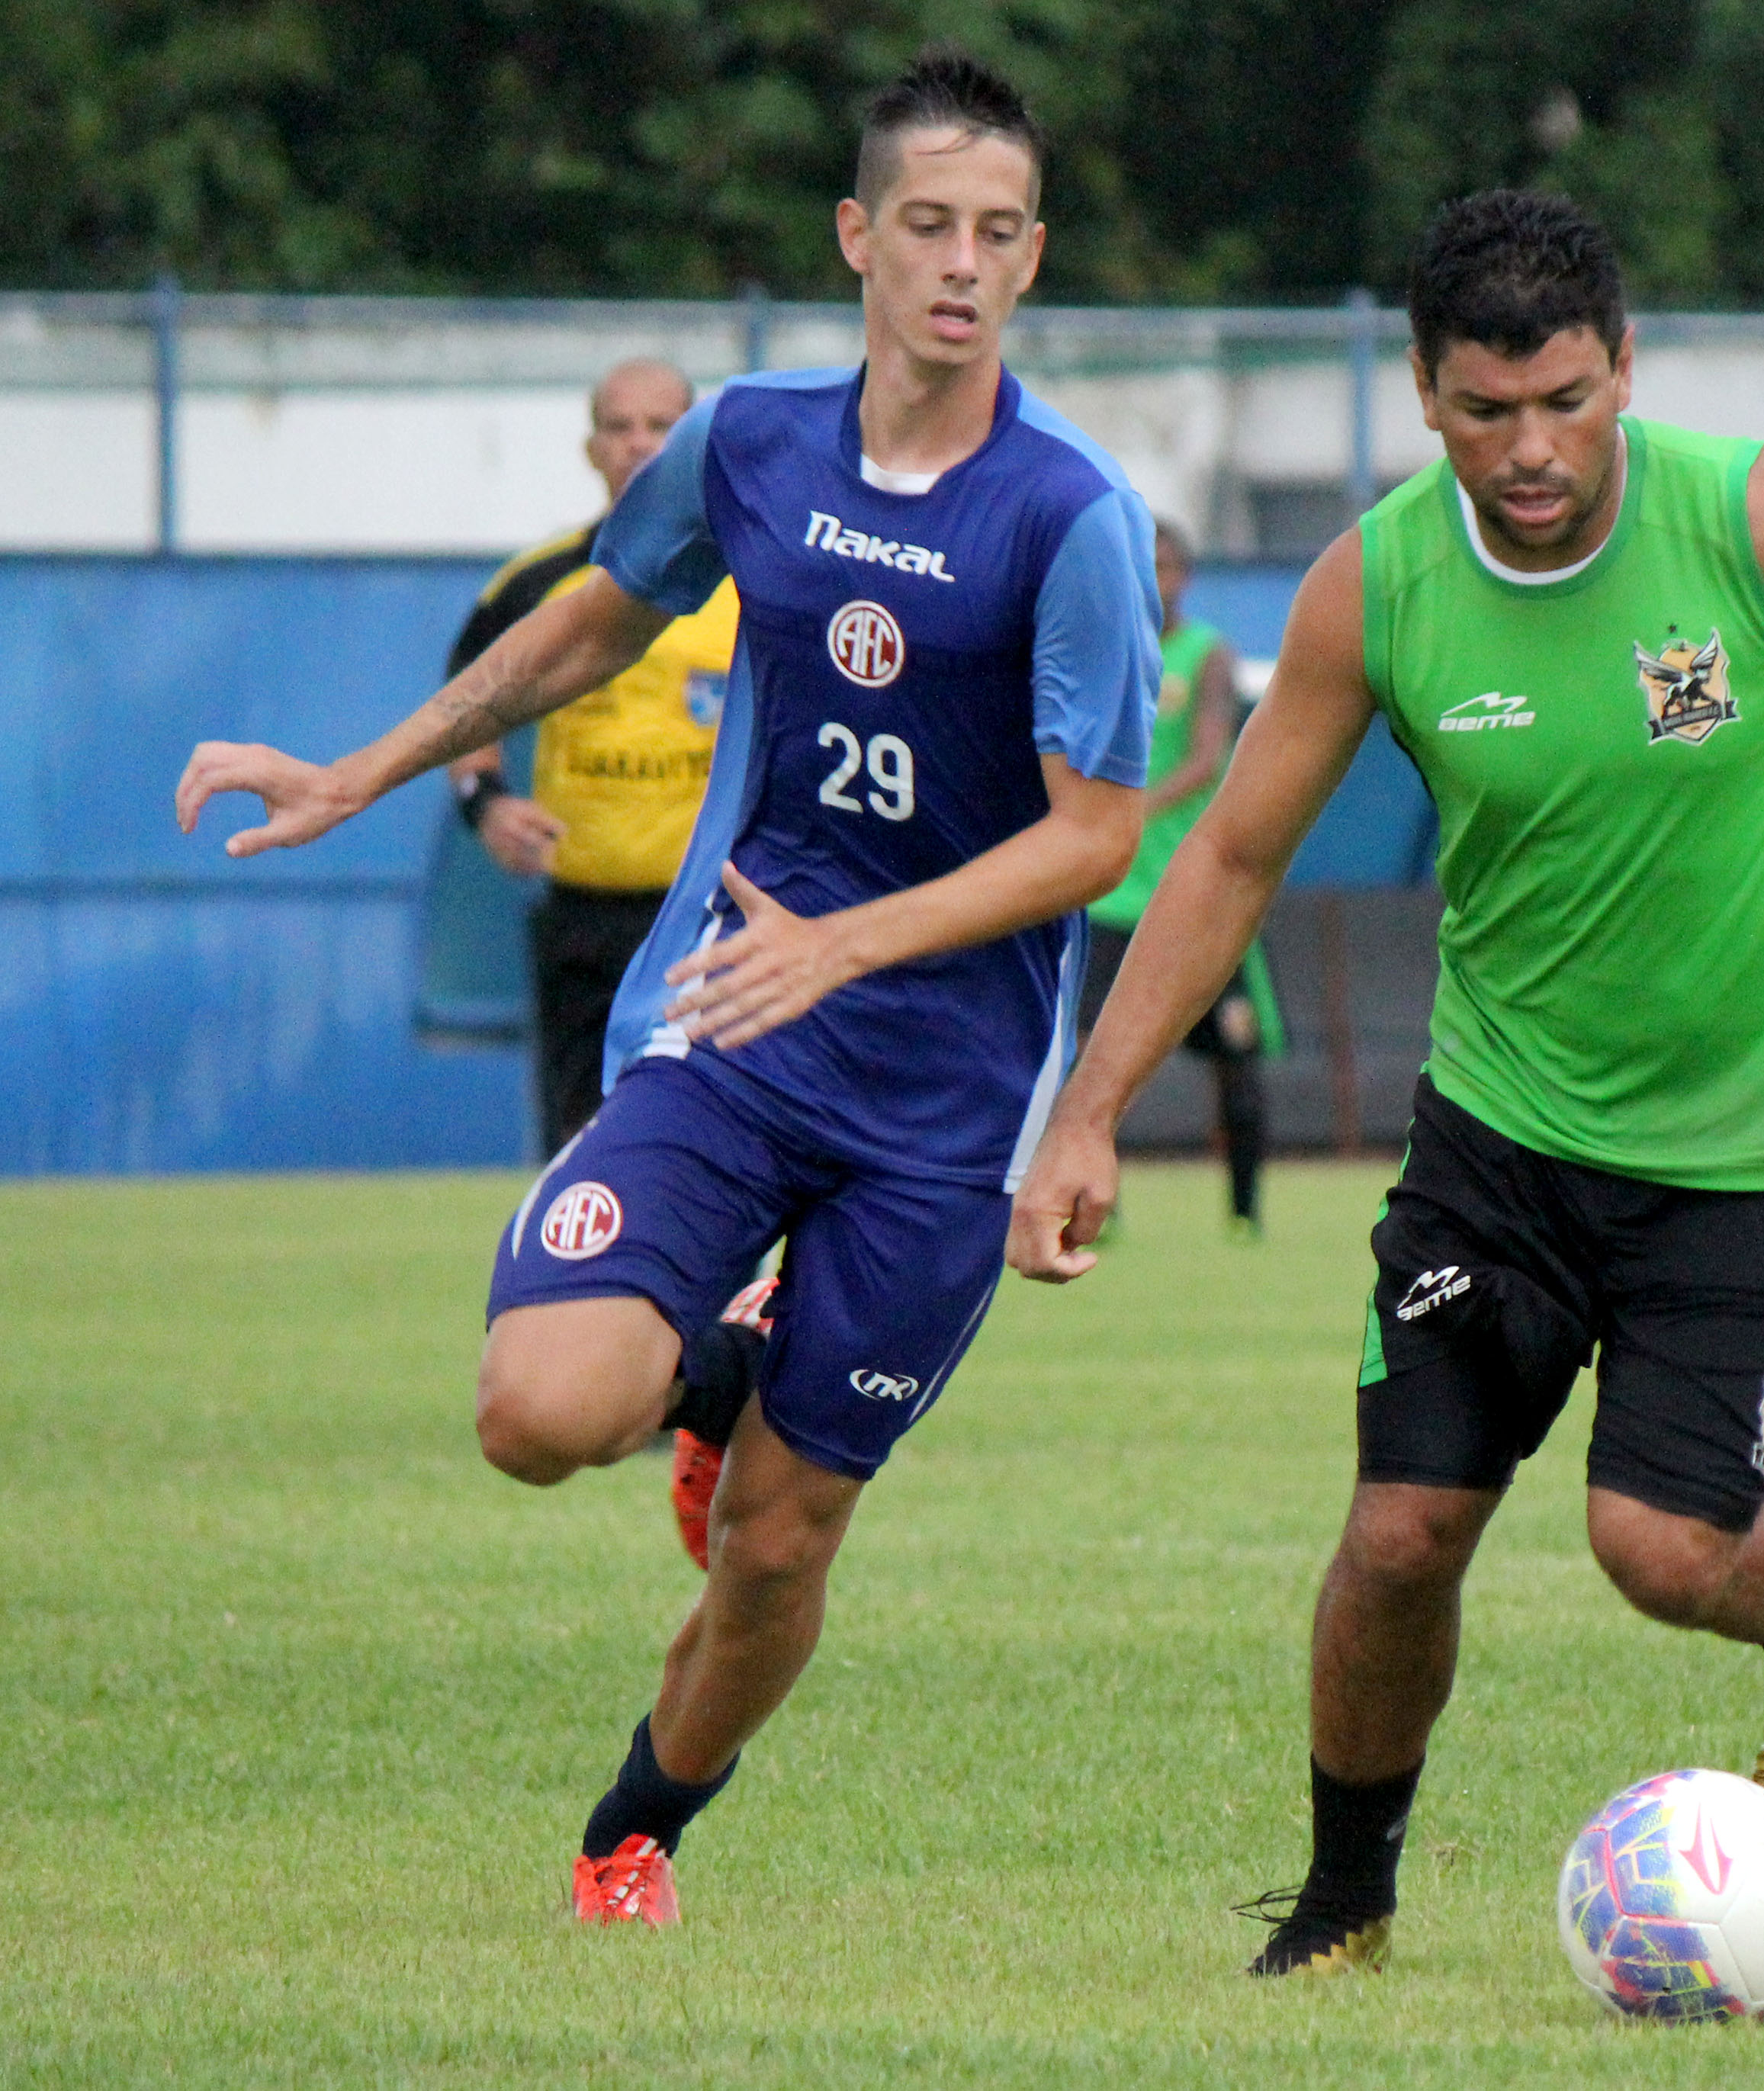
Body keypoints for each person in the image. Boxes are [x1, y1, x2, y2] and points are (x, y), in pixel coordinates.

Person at [1008, 190, 1764, 1977]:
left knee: (1657, 1547)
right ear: (1424, 393)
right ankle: (1343, 1905)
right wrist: (1093, 1104)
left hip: (1757, 1149)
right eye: (1488, 409)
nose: (1531, 450)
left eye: (1567, 401)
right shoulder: (1382, 581)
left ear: (1623, 373)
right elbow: (1225, 859)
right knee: (1403, 1525)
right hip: (1503, 1131)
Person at [176, 49, 1158, 1929]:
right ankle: (710, 1363)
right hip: (726, 1026)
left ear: (1031, 263)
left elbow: (1095, 835)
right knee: (535, 1411)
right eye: (928, 225)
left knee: (781, 1542)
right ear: (857, 239)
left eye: (1000, 233)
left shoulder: (1070, 518)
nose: (961, 264)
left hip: (940, 1103)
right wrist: (363, 769)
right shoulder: (750, 442)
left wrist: (855, 939)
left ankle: (632, 1832)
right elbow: (596, 615)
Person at [444, 358, 742, 1150]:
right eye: (620, 427)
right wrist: (486, 805)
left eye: (660, 427)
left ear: (696, 442)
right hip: (582, 913)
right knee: (578, 1151)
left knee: (713, 1148)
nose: (639, 444)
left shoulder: (753, 576)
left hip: (714, 919)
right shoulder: (538, 582)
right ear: (591, 449)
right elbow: (466, 699)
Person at [1078, 518, 1280, 1234]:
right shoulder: (1104, 651)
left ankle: (1245, 1213)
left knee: (1237, 1058)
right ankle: (1096, 1209)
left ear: (1187, 576)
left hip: (1193, 889)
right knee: (1089, 1063)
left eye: (1168, 567)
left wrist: (1134, 807)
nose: (1157, 581)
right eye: (1146, 566)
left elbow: (1207, 761)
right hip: (1112, 894)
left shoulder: (1208, 656)